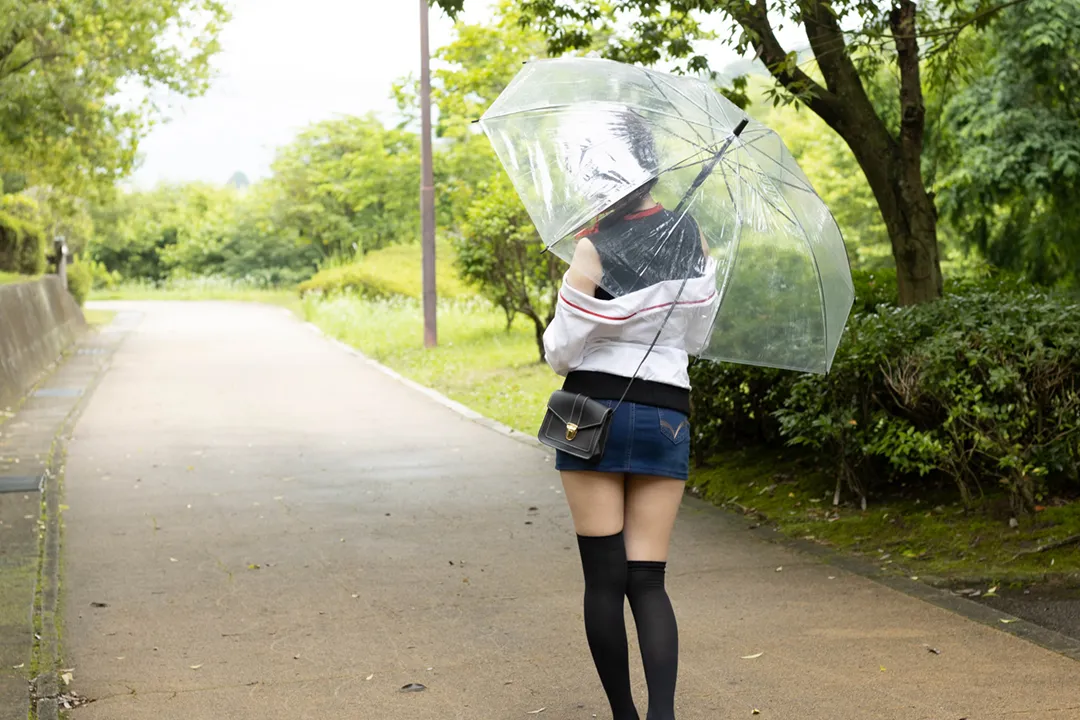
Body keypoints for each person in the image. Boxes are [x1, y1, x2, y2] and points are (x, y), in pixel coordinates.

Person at [542, 119, 719, 720]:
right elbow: (698, 333)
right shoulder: (690, 237)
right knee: (648, 579)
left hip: (592, 411)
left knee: (603, 581)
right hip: (667, 411)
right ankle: (662, 715)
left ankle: (624, 716)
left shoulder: (591, 247)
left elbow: (561, 352)